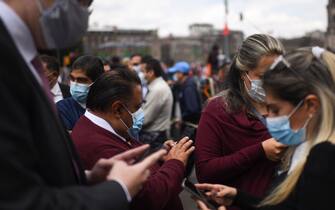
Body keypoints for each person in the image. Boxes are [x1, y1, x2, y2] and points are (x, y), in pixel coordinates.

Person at [0, 0, 167, 209]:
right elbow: (17, 201)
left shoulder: (20, 54)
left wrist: (85, 177)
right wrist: (117, 189)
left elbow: (29, 167)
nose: (83, 10)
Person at [194, 47, 335, 210]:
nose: (268, 117)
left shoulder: (324, 158)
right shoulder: (308, 147)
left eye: (276, 110)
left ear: (311, 106)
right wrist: (238, 197)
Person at [71, 68, 195, 210]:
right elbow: (149, 198)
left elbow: (133, 157)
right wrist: (175, 162)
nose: (139, 113)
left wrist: (159, 156)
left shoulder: (107, 127)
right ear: (117, 109)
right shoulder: (96, 145)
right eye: (137, 107)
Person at [195, 34, 286, 210]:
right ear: (244, 73)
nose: (272, 82)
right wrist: (259, 151)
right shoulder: (218, 109)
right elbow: (205, 171)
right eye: (263, 75)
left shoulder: (289, 106)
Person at [56, 55, 104, 130]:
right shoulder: (62, 108)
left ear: (97, 82)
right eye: (72, 78)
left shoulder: (108, 107)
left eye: (81, 80)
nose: (75, 83)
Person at [139, 58, 173, 148]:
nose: (142, 75)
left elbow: (145, 118)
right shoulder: (155, 86)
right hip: (154, 135)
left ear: (151, 72)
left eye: (143, 71)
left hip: (154, 136)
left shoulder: (158, 89)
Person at [169, 61, 202, 129]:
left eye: (176, 73)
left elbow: (192, 110)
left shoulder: (188, 88)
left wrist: (181, 119)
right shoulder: (184, 84)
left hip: (191, 126)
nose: (174, 75)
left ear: (181, 73)